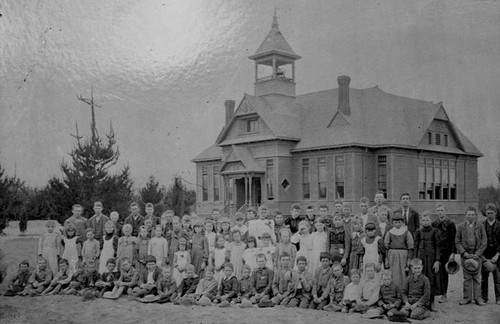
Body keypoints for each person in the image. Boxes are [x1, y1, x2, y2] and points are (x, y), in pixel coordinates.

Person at [456, 206, 487, 306]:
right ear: (465, 215)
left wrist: (477, 253)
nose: (470, 216)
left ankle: (478, 298)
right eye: (469, 214)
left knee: (477, 277)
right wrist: (464, 253)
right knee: (466, 277)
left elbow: (484, 242)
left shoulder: (480, 226)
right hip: (465, 254)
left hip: (477, 255)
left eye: (472, 214)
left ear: (476, 216)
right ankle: (467, 298)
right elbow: (457, 241)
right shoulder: (460, 226)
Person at [414, 211, 440, 311]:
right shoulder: (418, 232)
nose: (425, 222)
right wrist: (415, 259)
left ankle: (432, 300)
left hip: (431, 258)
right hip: (421, 257)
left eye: (427, 220)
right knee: (420, 277)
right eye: (423, 220)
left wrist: (437, 260)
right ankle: (422, 301)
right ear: (421, 221)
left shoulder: (435, 231)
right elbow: (416, 246)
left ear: (430, 220)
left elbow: (438, 246)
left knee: (431, 278)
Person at [431, 203, 456, 303]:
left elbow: (454, 239)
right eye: (438, 210)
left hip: (447, 251)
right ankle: (436, 292)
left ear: (445, 211)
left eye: (442, 210)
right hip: (437, 251)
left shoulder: (450, 224)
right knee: (436, 272)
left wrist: (453, 253)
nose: (440, 212)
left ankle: (444, 294)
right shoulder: (434, 224)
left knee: (445, 273)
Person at [384, 212, 414, 290]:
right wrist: (386, 259)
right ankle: (393, 292)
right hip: (392, 255)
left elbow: (410, 246)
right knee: (393, 273)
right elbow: (386, 247)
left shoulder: (406, 232)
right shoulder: (389, 233)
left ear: (402, 222)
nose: (397, 224)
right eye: (395, 222)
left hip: (403, 255)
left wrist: (409, 259)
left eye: (399, 222)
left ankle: (403, 291)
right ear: (393, 223)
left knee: (403, 274)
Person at [481, 203, 500, 305]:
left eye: (491, 213)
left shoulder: (499, 225)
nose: (489, 215)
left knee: (498, 278)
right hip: (485, 254)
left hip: (497, 255)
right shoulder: (482, 225)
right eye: (488, 213)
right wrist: (483, 256)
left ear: (496, 213)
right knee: (484, 278)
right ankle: (484, 297)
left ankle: (498, 298)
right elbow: (479, 242)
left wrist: (497, 255)